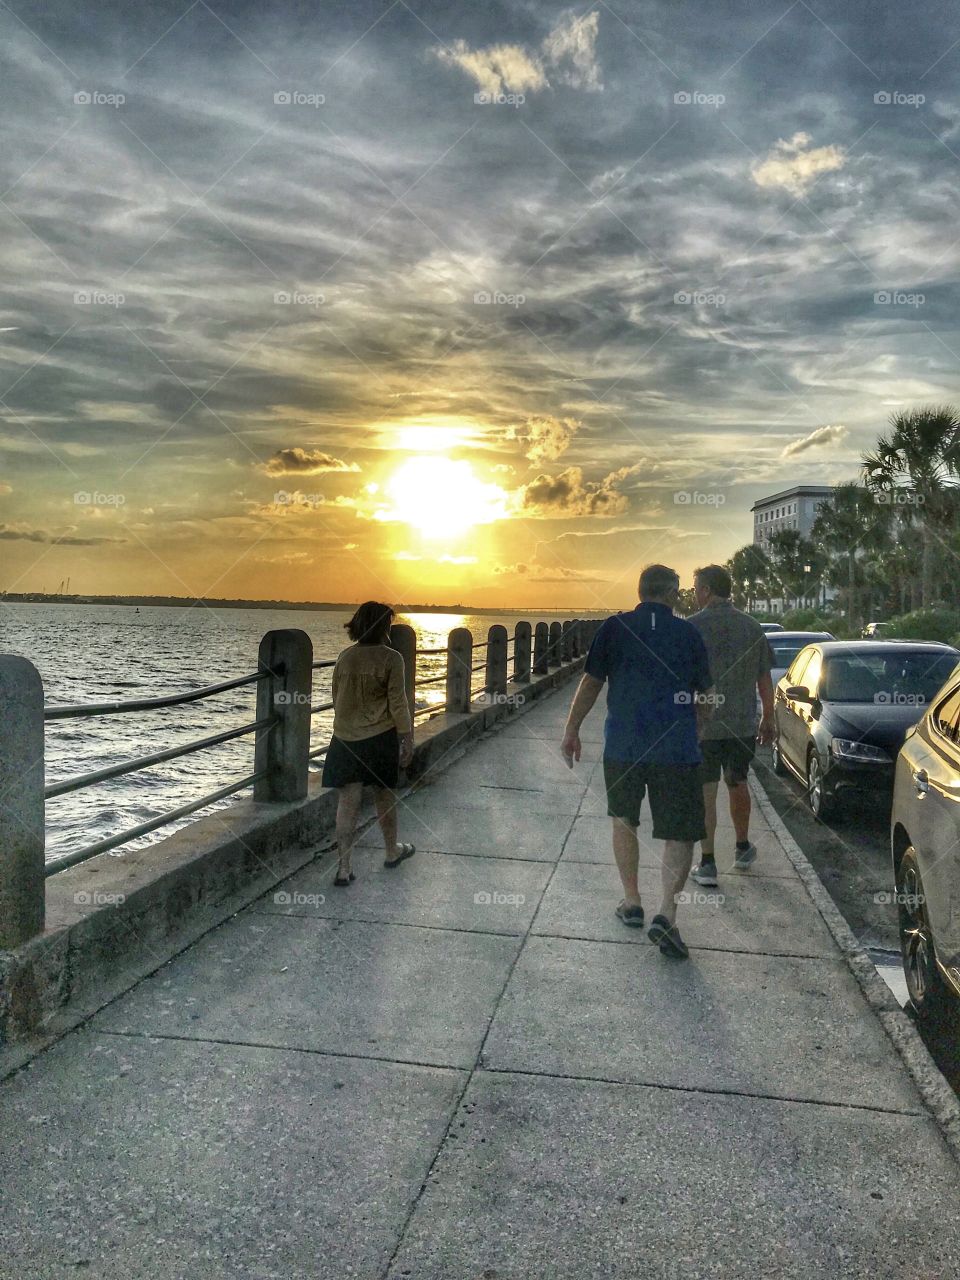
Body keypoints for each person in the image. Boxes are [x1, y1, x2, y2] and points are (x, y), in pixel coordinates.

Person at [561, 565, 714, 960]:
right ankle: (667, 912)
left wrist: (572, 730)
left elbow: (591, 683)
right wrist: (694, 733)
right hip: (676, 750)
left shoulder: (613, 628)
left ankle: (631, 901)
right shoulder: (688, 633)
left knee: (623, 819)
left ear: (640, 591)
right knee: (679, 833)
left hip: (624, 746)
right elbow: (707, 696)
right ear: (673, 593)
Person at [687, 565, 774, 887]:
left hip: (703, 725)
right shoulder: (752, 627)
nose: (695, 594)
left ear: (707, 590)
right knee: (738, 781)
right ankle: (741, 846)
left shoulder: (692, 627)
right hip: (741, 723)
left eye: (697, 588)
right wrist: (769, 716)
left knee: (706, 789)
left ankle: (707, 863)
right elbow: (763, 676)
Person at [321, 601, 415, 886]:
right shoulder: (391, 658)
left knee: (347, 802)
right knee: (384, 796)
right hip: (379, 737)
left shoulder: (345, 657)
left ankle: (344, 867)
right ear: (384, 627)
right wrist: (406, 736)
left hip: (345, 739)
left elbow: (336, 697)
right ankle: (391, 851)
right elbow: (398, 702)